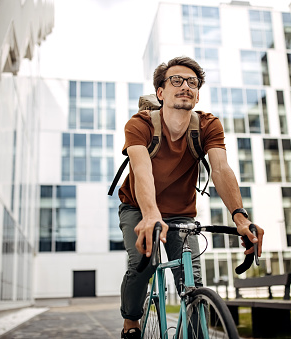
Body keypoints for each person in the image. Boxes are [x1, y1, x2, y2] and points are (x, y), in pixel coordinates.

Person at [118, 56, 264, 338]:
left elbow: (221, 169)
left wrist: (240, 217)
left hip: (181, 214)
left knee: (192, 283)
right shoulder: (140, 124)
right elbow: (141, 169)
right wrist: (150, 213)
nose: (185, 86)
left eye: (192, 82)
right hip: (138, 207)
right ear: (161, 92)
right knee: (141, 264)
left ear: (197, 93)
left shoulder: (208, 126)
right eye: (176, 80)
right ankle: (131, 322)